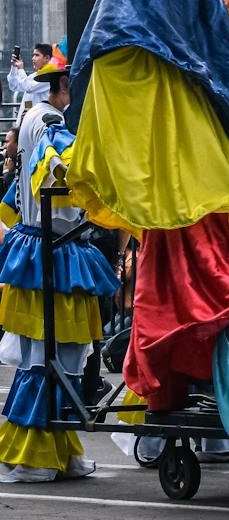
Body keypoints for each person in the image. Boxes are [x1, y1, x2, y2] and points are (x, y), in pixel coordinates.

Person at [0, 62, 118, 482]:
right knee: (49, 360)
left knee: (53, 360)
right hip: (56, 253)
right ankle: (31, 458)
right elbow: (65, 169)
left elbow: (21, 191)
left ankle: (58, 453)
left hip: (45, 250)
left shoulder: (32, 118)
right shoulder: (49, 120)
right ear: (63, 86)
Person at [6, 43, 52, 117]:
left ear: (46, 58)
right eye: (33, 55)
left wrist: (20, 69)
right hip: (28, 118)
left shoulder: (48, 77)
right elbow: (14, 86)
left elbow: (28, 87)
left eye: (37, 55)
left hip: (39, 121)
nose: (33, 58)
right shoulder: (33, 76)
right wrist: (14, 67)